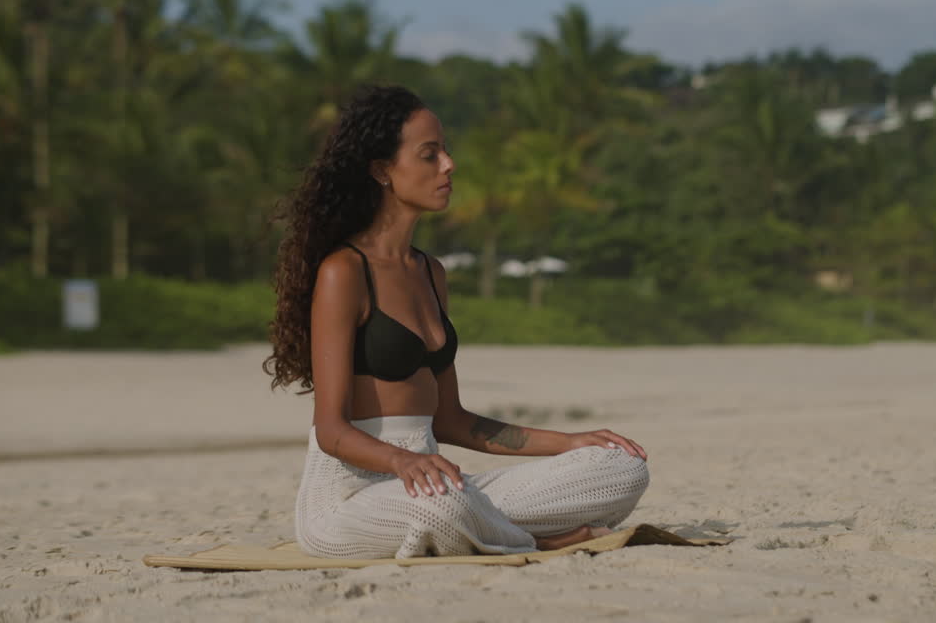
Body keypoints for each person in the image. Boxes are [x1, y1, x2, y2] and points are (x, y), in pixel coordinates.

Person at [264, 85, 649, 559]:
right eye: (430, 155)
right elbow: (331, 430)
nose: (449, 165)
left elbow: (452, 420)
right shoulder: (344, 272)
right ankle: (541, 541)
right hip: (349, 499)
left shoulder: (430, 273)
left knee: (618, 466)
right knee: (441, 507)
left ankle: (492, 528)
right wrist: (402, 461)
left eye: (445, 152)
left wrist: (569, 441)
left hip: (437, 478)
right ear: (383, 171)